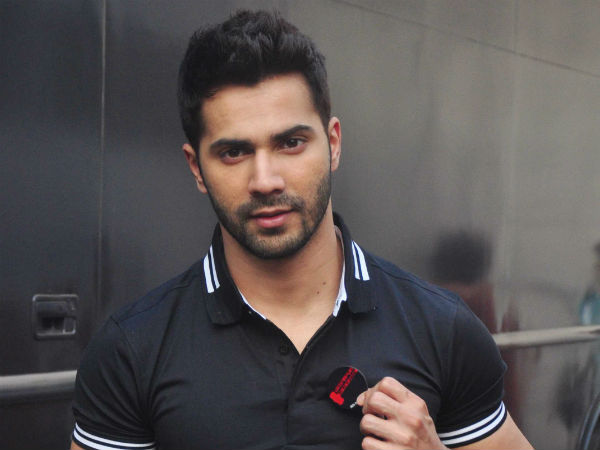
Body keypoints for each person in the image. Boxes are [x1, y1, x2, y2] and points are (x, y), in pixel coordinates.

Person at [70, 10, 532, 450]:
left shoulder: (442, 328)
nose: (265, 180)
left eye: (290, 143)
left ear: (333, 143)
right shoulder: (132, 349)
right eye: (233, 152)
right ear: (196, 168)